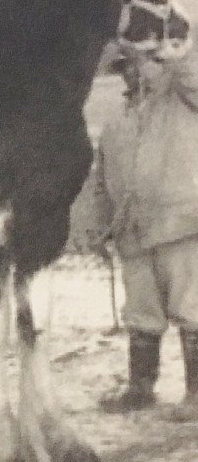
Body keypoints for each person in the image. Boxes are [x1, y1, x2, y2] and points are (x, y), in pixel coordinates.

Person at [89, 48, 198, 418]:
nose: (132, 73)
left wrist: (174, 57)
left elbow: (192, 74)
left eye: (138, 64)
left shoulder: (184, 99)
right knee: (140, 314)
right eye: (125, 67)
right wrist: (96, 226)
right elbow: (101, 180)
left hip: (181, 226)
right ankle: (140, 390)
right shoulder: (115, 122)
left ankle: (196, 395)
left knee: (192, 309)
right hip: (132, 233)